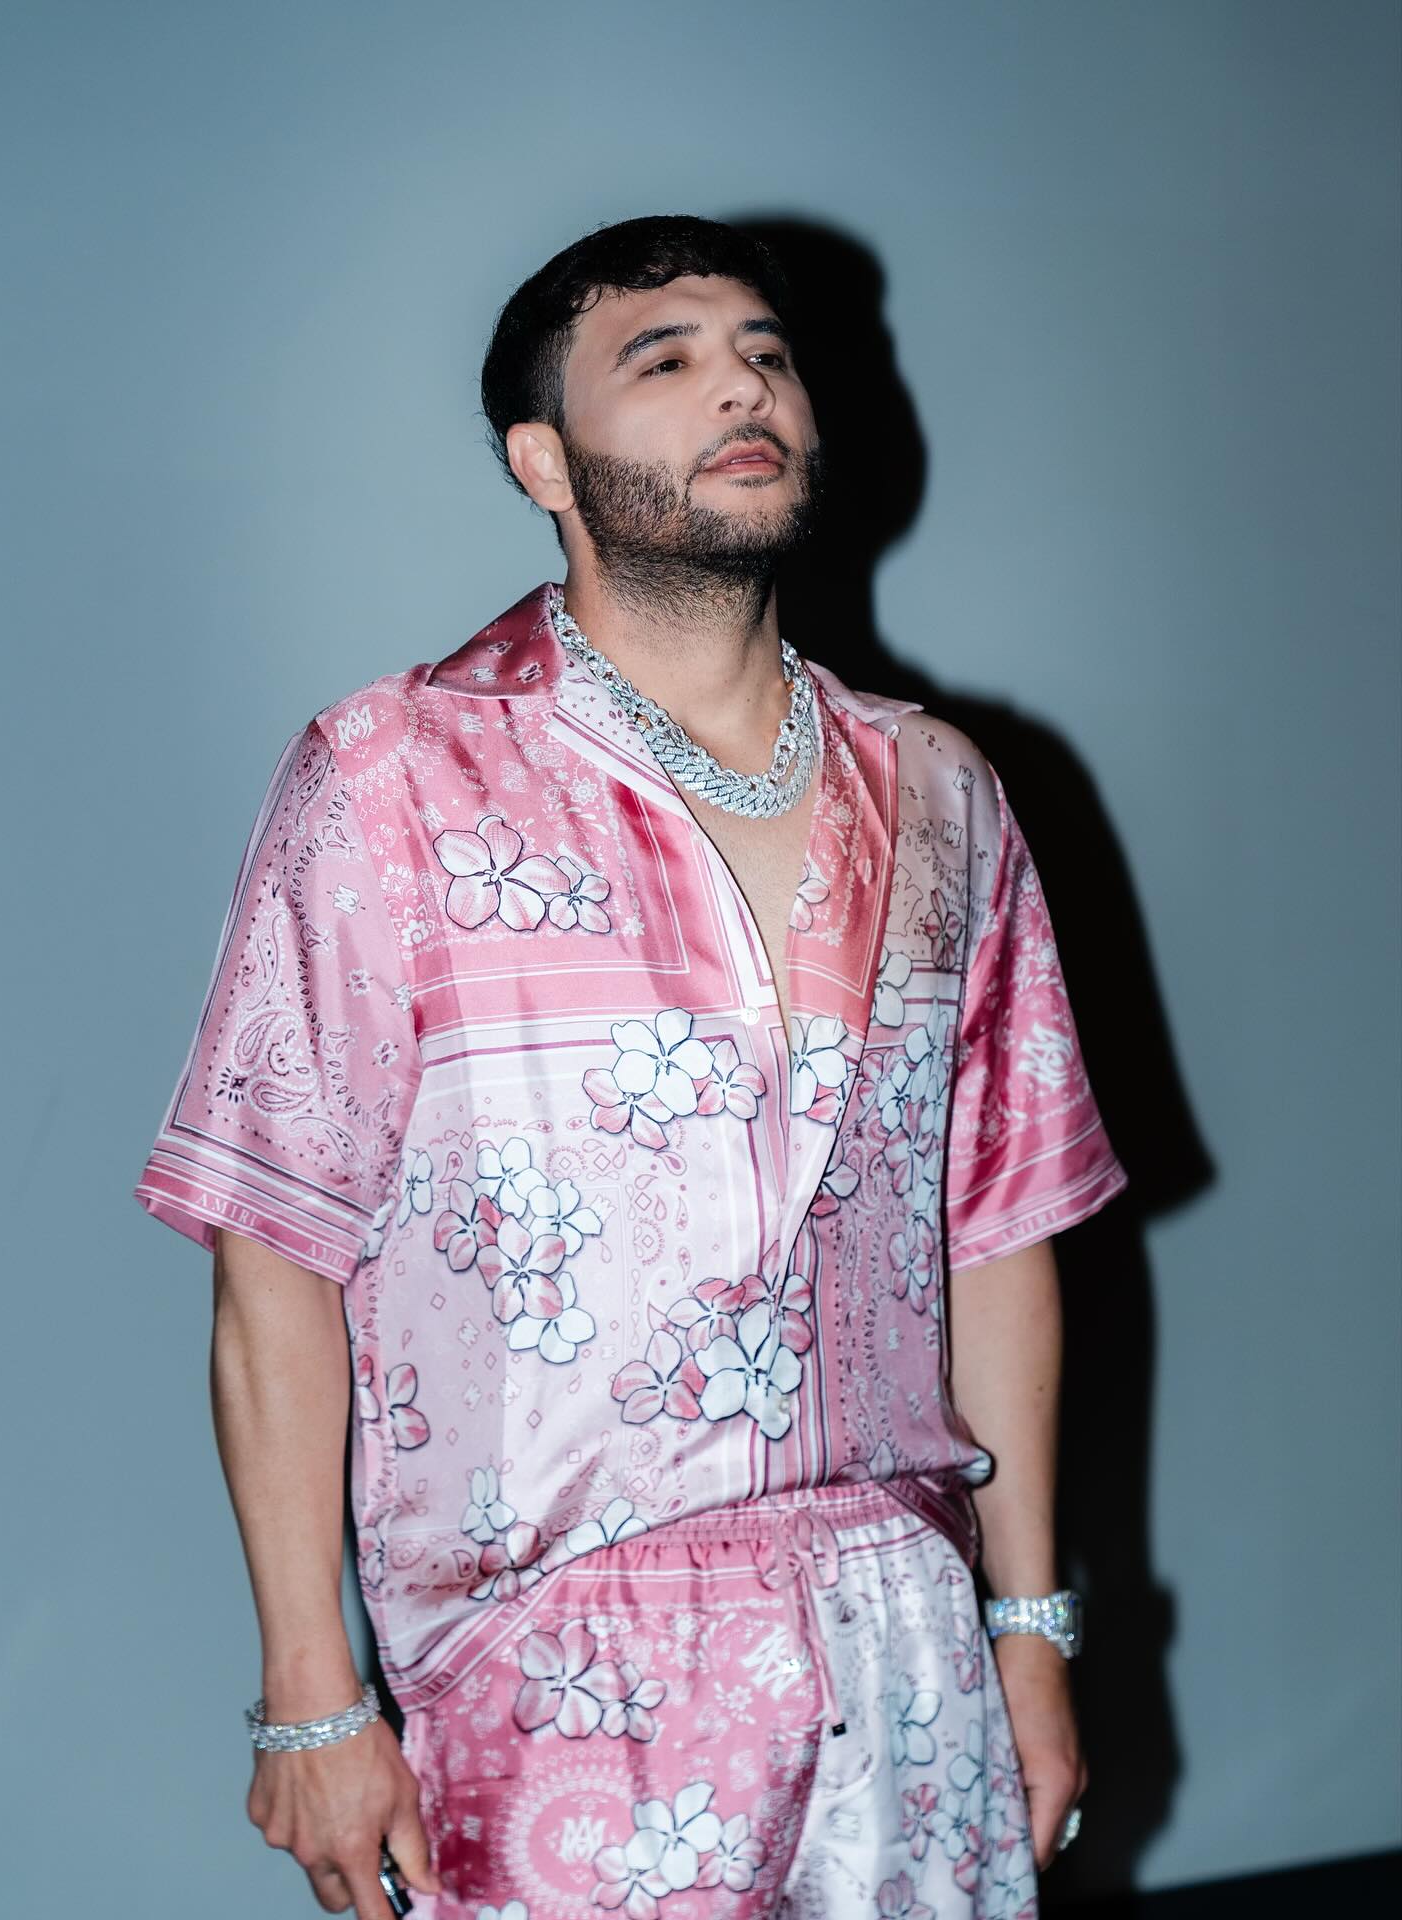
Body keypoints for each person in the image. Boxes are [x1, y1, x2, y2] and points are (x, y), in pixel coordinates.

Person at [135, 214, 1129, 1920]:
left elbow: (1000, 1228)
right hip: (551, 1680)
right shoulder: (393, 780)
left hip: (903, 1655)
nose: (740, 385)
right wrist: (312, 1693)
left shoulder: (943, 794)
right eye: (661, 361)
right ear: (545, 459)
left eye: (765, 351)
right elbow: (272, 1254)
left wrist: (1030, 1634)